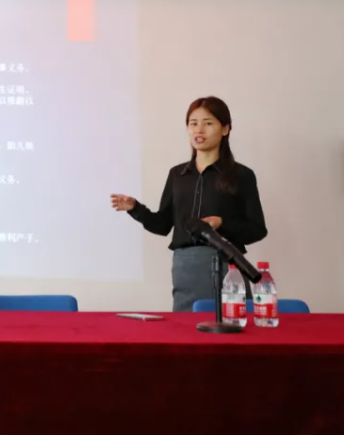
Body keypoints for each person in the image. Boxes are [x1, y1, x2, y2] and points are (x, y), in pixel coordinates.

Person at [110, 96, 267, 312]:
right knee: (186, 327)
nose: (199, 130)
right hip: (185, 266)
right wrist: (136, 209)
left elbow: (257, 229)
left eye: (208, 123)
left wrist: (221, 223)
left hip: (227, 265)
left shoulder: (242, 175)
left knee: (232, 325)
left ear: (225, 129)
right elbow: (162, 225)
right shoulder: (177, 174)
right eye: (193, 124)